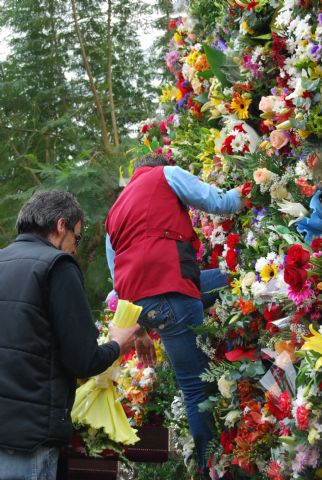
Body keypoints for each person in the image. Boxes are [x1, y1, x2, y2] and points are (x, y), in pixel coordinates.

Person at [105, 153, 246, 478]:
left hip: (146, 305)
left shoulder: (114, 212)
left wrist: (139, 331)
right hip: (171, 292)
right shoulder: (166, 175)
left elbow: (117, 279)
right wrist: (254, 189)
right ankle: (212, 468)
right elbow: (219, 202)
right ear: (154, 168)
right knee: (195, 388)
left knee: (231, 278)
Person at [0, 190, 140, 480]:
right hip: (31, 439)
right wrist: (118, 343)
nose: (75, 249)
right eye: (77, 239)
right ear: (61, 225)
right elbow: (83, 360)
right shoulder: (57, 266)